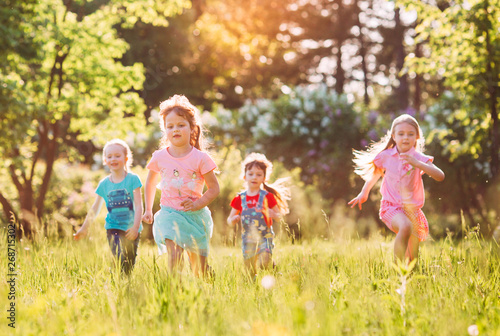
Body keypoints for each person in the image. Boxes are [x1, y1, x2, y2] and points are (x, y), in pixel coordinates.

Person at [349, 114, 445, 263]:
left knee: (412, 258)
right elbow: (376, 173)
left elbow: (440, 176)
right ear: (393, 136)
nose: (405, 138)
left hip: (412, 210)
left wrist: (418, 164)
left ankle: (405, 279)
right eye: (401, 134)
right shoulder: (386, 156)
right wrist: (364, 192)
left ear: (417, 137)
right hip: (390, 207)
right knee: (405, 226)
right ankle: (396, 270)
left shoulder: (419, 158)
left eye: (410, 134)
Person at [142, 94, 219, 277]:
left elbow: (214, 188)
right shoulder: (159, 157)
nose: (175, 129)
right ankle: (174, 292)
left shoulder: (201, 158)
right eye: (170, 126)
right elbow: (150, 182)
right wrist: (147, 209)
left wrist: (198, 204)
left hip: (194, 217)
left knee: (198, 268)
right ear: (165, 130)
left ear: (192, 128)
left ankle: (207, 285)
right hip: (169, 214)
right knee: (174, 258)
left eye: (181, 125)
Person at [74, 139, 143, 274]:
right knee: (119, 257)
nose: (113, 159)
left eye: (117, 156)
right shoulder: (104, 184)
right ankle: (117, 279)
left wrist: (135, 227)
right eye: (109, 156)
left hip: (131, 228)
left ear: (126, 158)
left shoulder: (133, 180)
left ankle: (124, 285)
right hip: (113, 227)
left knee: (129, 262)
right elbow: (95, 208)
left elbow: (139, 205)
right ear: (105, 160)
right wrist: (84, 228)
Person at [227, 153, 290, 277]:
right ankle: (252, 288)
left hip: (264, 236)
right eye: (251, 174)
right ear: (244, 177)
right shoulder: (240, 198)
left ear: (264, 178)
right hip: (247, 239)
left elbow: (279, 216)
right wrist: (233, 220)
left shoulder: (267, 197)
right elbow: (229, 219)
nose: (254, 177)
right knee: (250, 270)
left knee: (263, 262)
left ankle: (274, 270)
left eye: (259, 174)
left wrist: (273, 214)